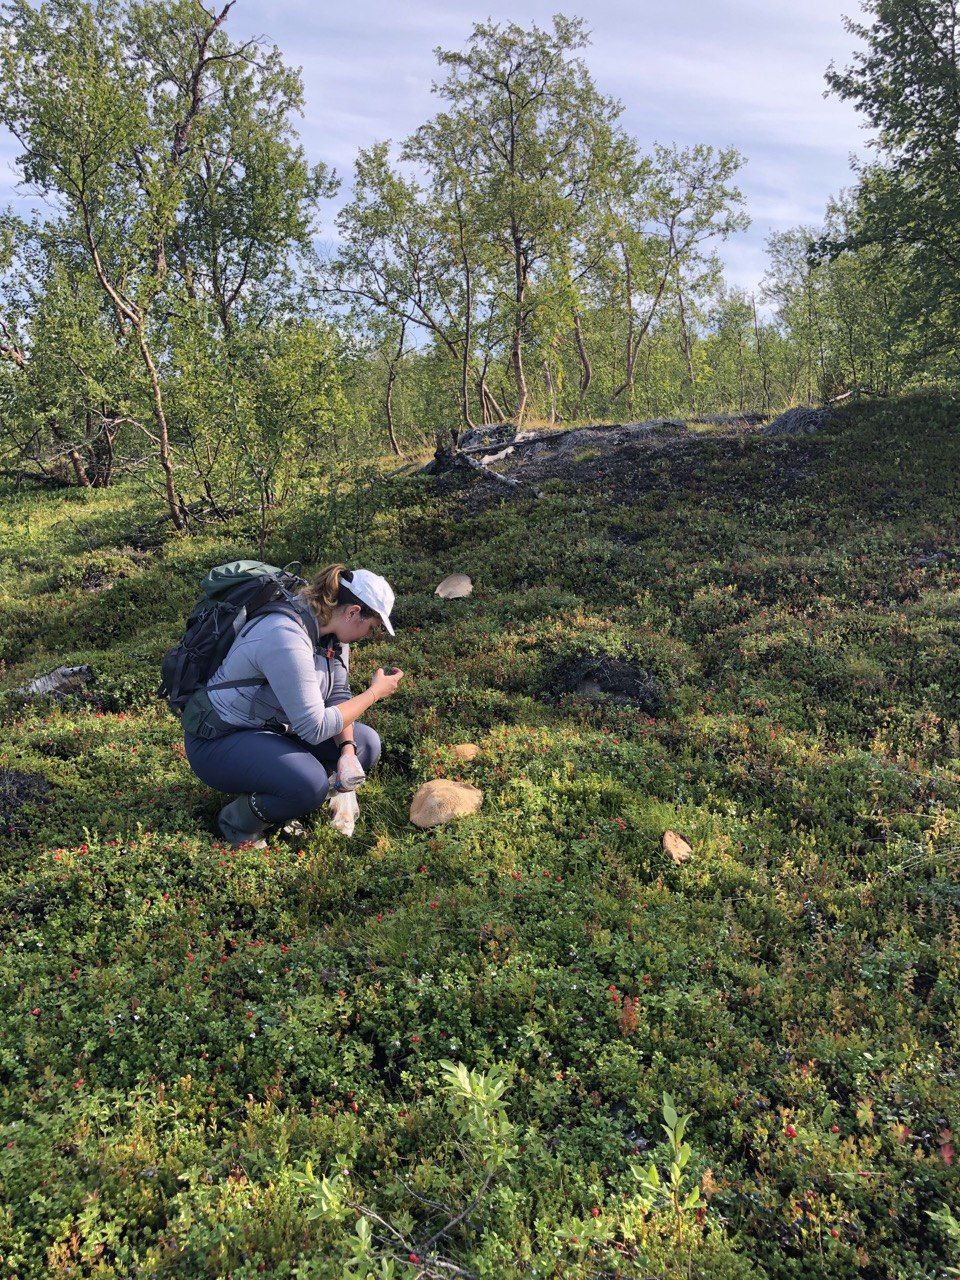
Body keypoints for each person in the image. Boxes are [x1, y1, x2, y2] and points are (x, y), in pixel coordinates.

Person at [182, 564, 403, 847]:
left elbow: (337, 693)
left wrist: (347, 750)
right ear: (353, 613)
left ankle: (286, 794)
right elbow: (315, 728)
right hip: (219, 740)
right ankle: (237, 823)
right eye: (371, 629)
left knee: (366, 744)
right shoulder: (285, 635)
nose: (368, 637)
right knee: (309, 783)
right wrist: (374, 693)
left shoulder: (332, 634)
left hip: (272, 728)